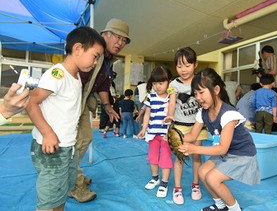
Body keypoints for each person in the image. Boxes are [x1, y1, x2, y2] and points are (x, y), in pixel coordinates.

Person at [25, 26, 105, 211]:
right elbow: (31, 102)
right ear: (78, 49)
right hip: (52, 150)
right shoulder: (57, 74)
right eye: (95, 55)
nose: (96, 62)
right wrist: (47, 133)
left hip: (67, 149)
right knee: (48, 201)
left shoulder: (75, 76)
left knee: (62, 192)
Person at [178, 68, 260, 211]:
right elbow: (191, 136)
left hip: (242, 155)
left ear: (216, 90)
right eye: (195, 93)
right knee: (202, 172)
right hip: (226, 153)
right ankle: (221, 205)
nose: (197, 97)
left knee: (213, 178)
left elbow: (222, 148)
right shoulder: (203, 112)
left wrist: (193, 149)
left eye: (201, 92)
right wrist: (174, 138)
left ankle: (235, 209)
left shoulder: (228, 114)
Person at [70, 18, 130, 202]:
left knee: (85, 139)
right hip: (70, 104)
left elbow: (103, 84)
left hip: (81, 106)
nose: (120, 43)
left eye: (124, 40)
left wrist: (107, 106)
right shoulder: (93, 50)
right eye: (117, 38)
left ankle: (72, 175)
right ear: (105, 34)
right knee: (72, 145)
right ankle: (73, 184)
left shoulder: (106, 59)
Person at [163, 47, 209, 205]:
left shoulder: (201, 80)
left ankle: (196, 185)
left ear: (195, 64)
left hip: (198, 125)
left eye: (187, 65)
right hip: (180, 127)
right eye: (179, 66)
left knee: (197, 156)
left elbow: (205, 100)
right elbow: (172, 101)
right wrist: (170, 114)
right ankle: (177, 188)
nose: (183, 70)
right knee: (180, 158)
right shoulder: (173, 83)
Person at [136, 66, 173, 198]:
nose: (157, 86)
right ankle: (155, 178)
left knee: (166, 158)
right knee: (152, 157)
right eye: (155, 83)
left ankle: (164, 183)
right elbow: (147, 114)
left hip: (166, 135)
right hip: (152, 133)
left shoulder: (172, 98)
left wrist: (171, 134)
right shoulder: (150, 97)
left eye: (161, 83)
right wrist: (143, 129)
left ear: (168, 82)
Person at [261, 45, 277, 131]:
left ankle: (274, 128)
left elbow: (274, 71)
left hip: (276, 87)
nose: (264, 57)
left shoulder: (270, 58)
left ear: (265, 53)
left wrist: (264, 75)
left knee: (273, 109)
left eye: (263, 55)